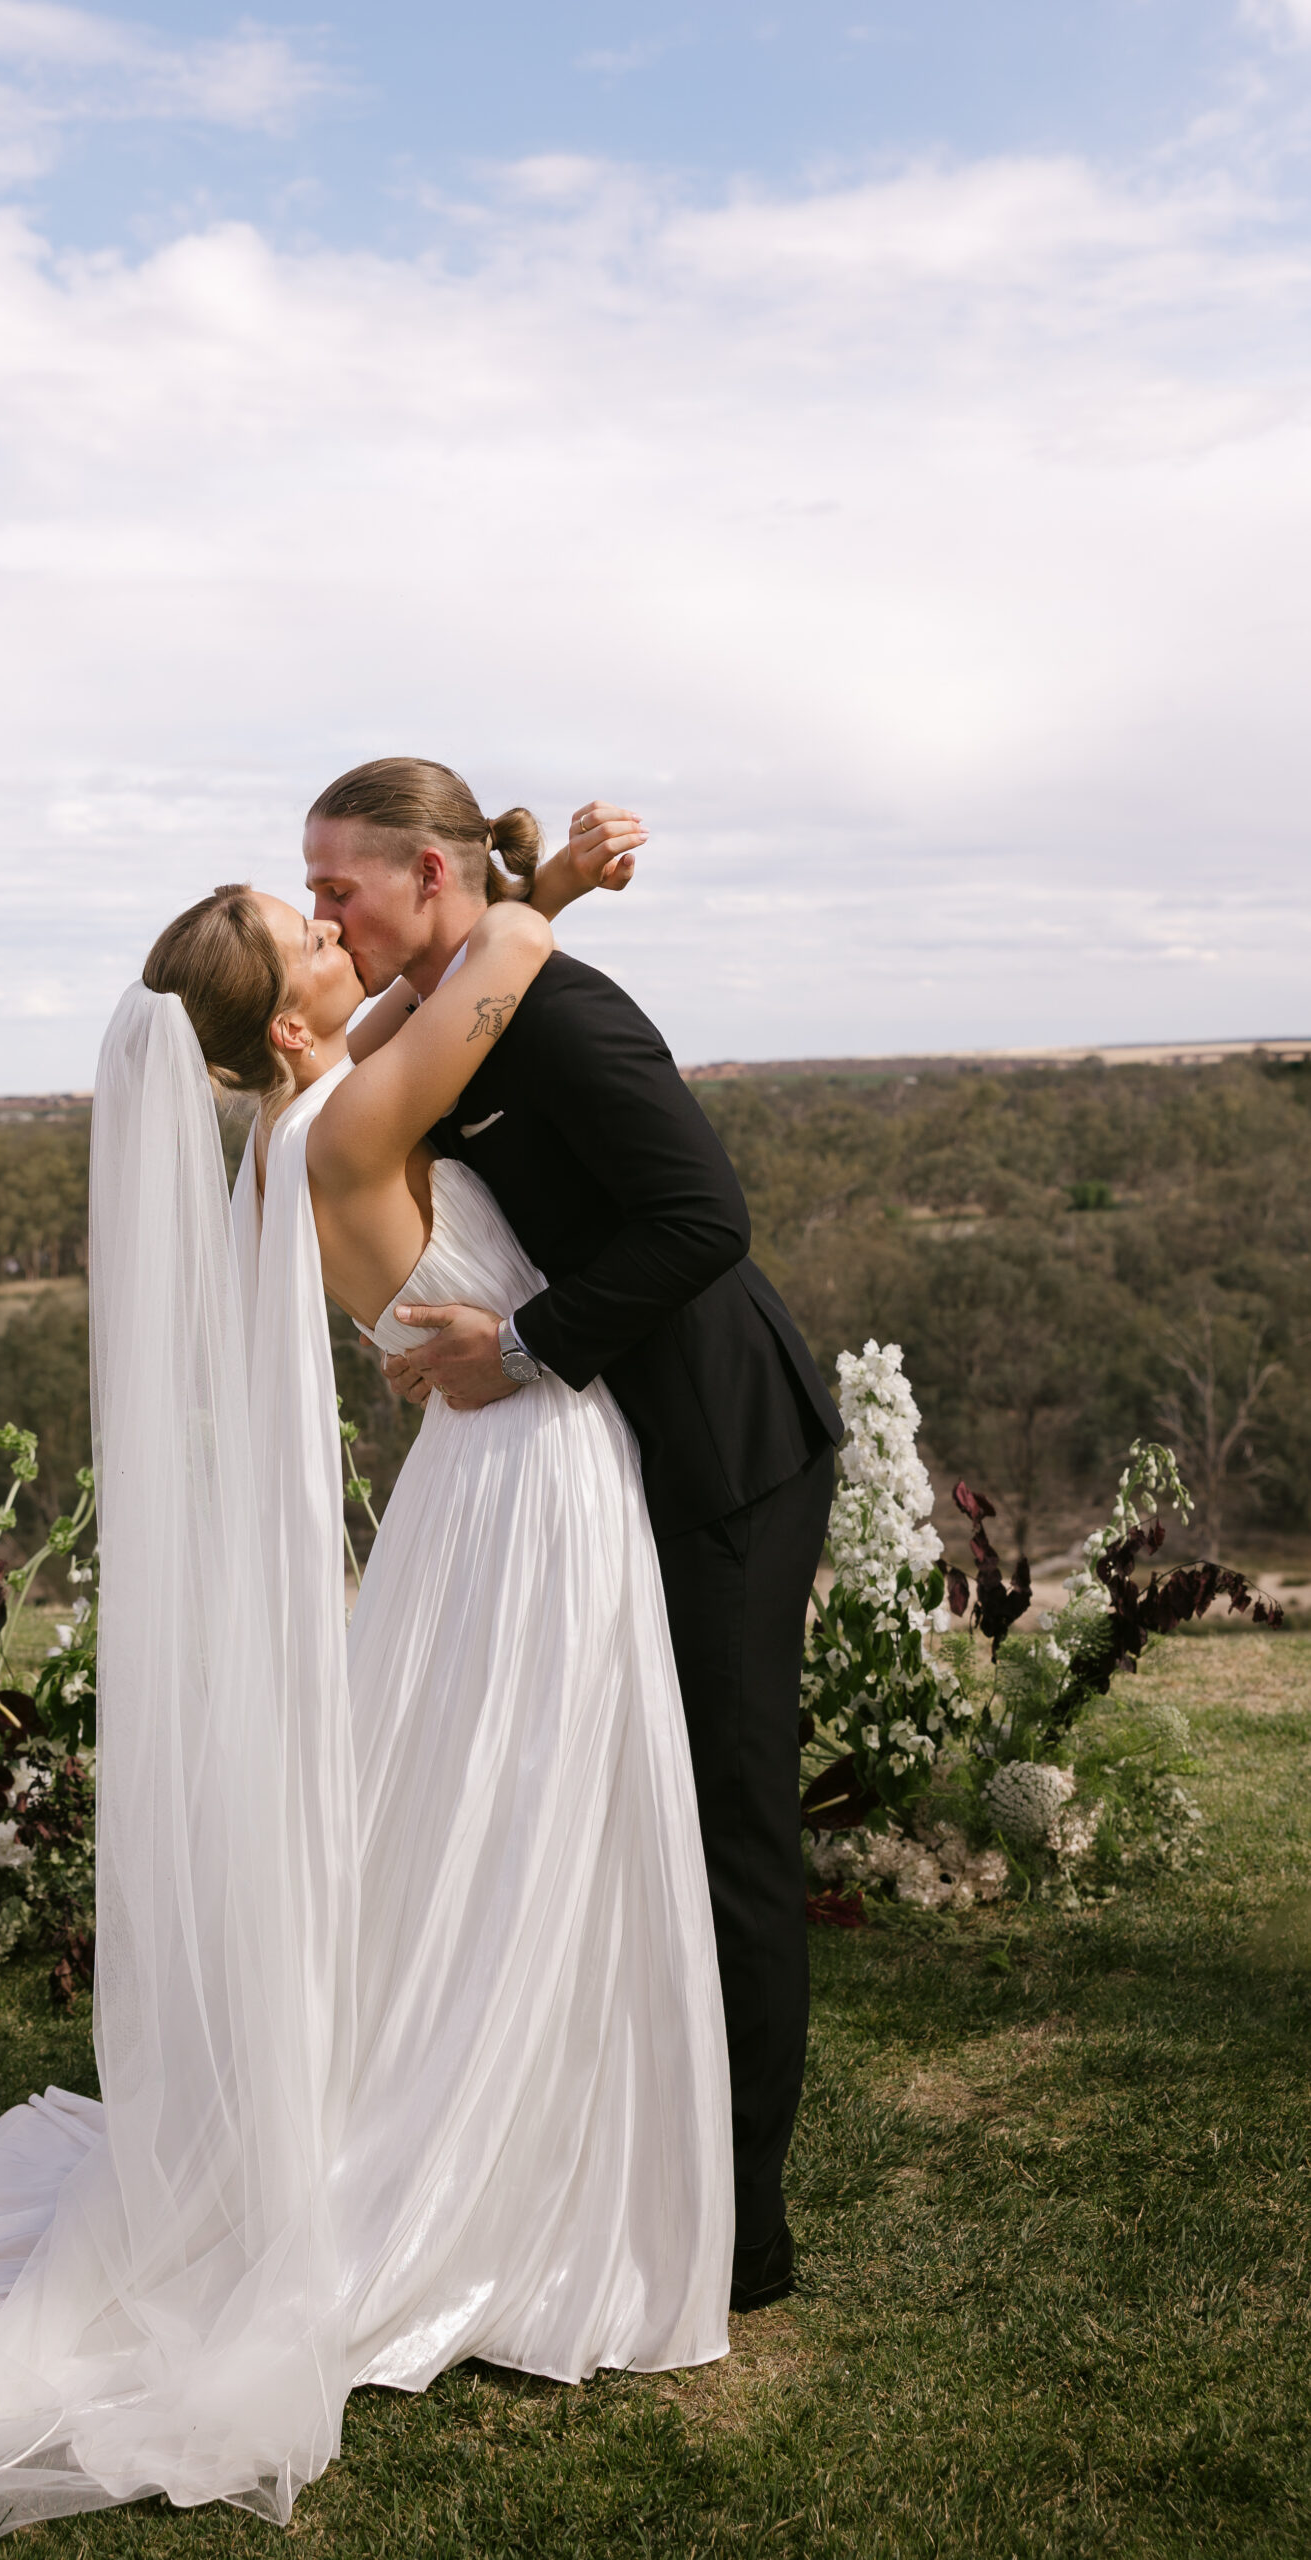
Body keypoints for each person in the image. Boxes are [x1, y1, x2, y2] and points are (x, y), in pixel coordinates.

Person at [0, 804, 728, 2556]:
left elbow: (418, 1000)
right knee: (526, 1816)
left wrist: (514, 886)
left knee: (482, 1830)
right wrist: (517, 885)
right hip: (528, 1491)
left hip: (485, 1486)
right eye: (318, 938)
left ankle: (527, 2115)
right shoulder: (352, 1114)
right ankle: (510, 2173)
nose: (346, 943)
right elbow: (495, 965)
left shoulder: (301, 1117)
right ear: (287, 1026)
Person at [304, 757, 842, 2312]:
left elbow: (704, 1223)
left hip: (722, 1453)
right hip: (595, 1462)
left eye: (341, 881)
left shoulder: (566, 1010)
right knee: (627, 1808)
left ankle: (742, 2231)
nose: (330, 911)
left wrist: (519, 1346)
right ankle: (618, 2146)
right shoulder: (467, 992)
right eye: (316, 889)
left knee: (731, 1820)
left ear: (426, 874)